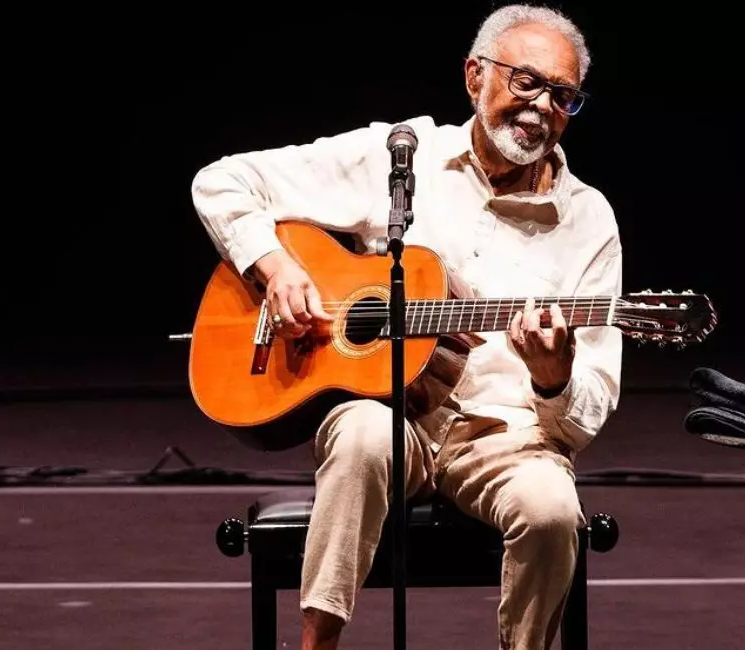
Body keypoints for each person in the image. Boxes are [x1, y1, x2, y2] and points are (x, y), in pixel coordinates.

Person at [190, 4, 622, 648]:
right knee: (362, 433)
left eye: (563, 95)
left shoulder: (588, 219)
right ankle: (317, 644)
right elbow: (221, 182)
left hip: (507, 435)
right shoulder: (401, 155)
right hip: (391, 410)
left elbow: (587, 411)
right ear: (475, 76)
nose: (540, 107)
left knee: (554, 510)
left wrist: (554, 377)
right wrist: (275, 268)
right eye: (526, 82)